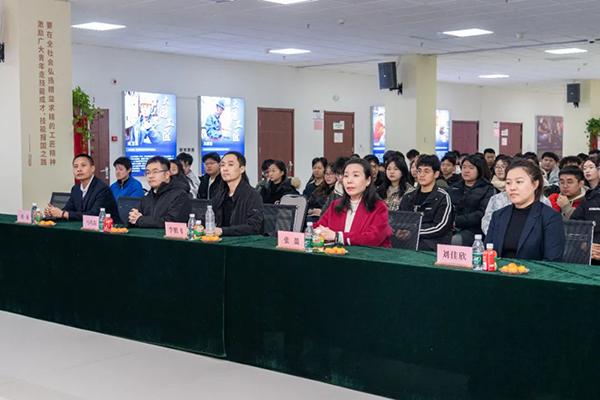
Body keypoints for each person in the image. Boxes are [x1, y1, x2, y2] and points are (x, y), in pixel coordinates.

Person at [485, 159, 565, 261]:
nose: (512, 187)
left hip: (534, 271)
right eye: (508, 183)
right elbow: (487, 252)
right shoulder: (499, 215)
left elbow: (552, 260)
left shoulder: (550, 217)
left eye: (519, 182)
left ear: (535, 184)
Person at [315, 158, 392, 247]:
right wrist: (314, 231)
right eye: (346, 176)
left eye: (355, 175)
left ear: (368, 180)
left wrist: (338, 237)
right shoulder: (335, 205)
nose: (349, 180)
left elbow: (373, 238)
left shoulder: (379, 207)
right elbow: (318, 227)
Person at [44, 154, 121, 223]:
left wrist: (63, 214)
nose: (79, 169)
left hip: (111, 229)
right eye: (75, 166)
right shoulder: (76, 189)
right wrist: (54, 212)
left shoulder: (102, 189)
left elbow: (94, 216)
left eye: (83, 165)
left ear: (92, 168)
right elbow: (68, 209)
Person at [399, 155, 453, 251]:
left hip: (433, 242)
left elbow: (440, 227)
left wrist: (413, 232)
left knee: (417, 246)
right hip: (408, 238)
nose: (421, 175)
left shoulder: (443, 197)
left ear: (436, 174)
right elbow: (400, 218)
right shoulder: (408, 196)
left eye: (426, 171)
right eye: (419, 171)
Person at [129, 156, 192, 228]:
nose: (150, 176)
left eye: (155, 172)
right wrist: (133, 217)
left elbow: (172, 222)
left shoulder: (180, 195)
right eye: (148, 173)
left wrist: (141, 220)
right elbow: (135, 216)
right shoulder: (148, 196)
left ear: (167, 174)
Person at [212, 152, 264, 236]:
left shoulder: (252, 195)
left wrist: (223, 231)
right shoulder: (219, 195)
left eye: (230, 165)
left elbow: (253, 227)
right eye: (223, 165)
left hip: (245, 242)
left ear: (241, 169)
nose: (225, 169)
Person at [450, 155, 495, 245]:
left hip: (474, 230)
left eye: (471, 168)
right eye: (464, 167)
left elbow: (482, 214)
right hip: (451, 227)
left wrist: (457, 221)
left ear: (479, 170)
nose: (466, 171)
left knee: (454, 240)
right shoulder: (455, 187)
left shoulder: (487, 189)